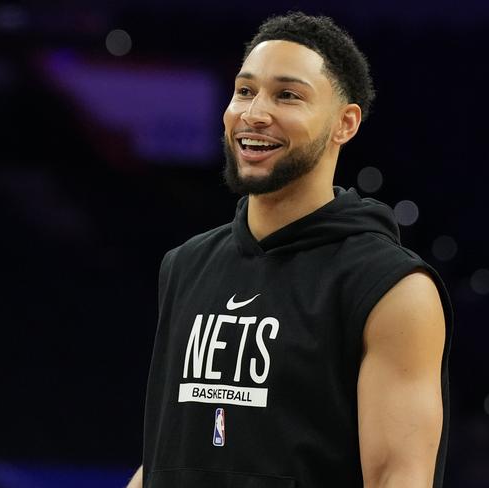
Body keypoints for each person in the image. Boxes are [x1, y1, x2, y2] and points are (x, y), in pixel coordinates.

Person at [128, 11, 453, 488]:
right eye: (244, 90)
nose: (255, 112)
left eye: (288, 95)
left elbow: (397, 477)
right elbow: (166, 459)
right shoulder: (184, 265)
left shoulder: (393, 289)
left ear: (345, 124)